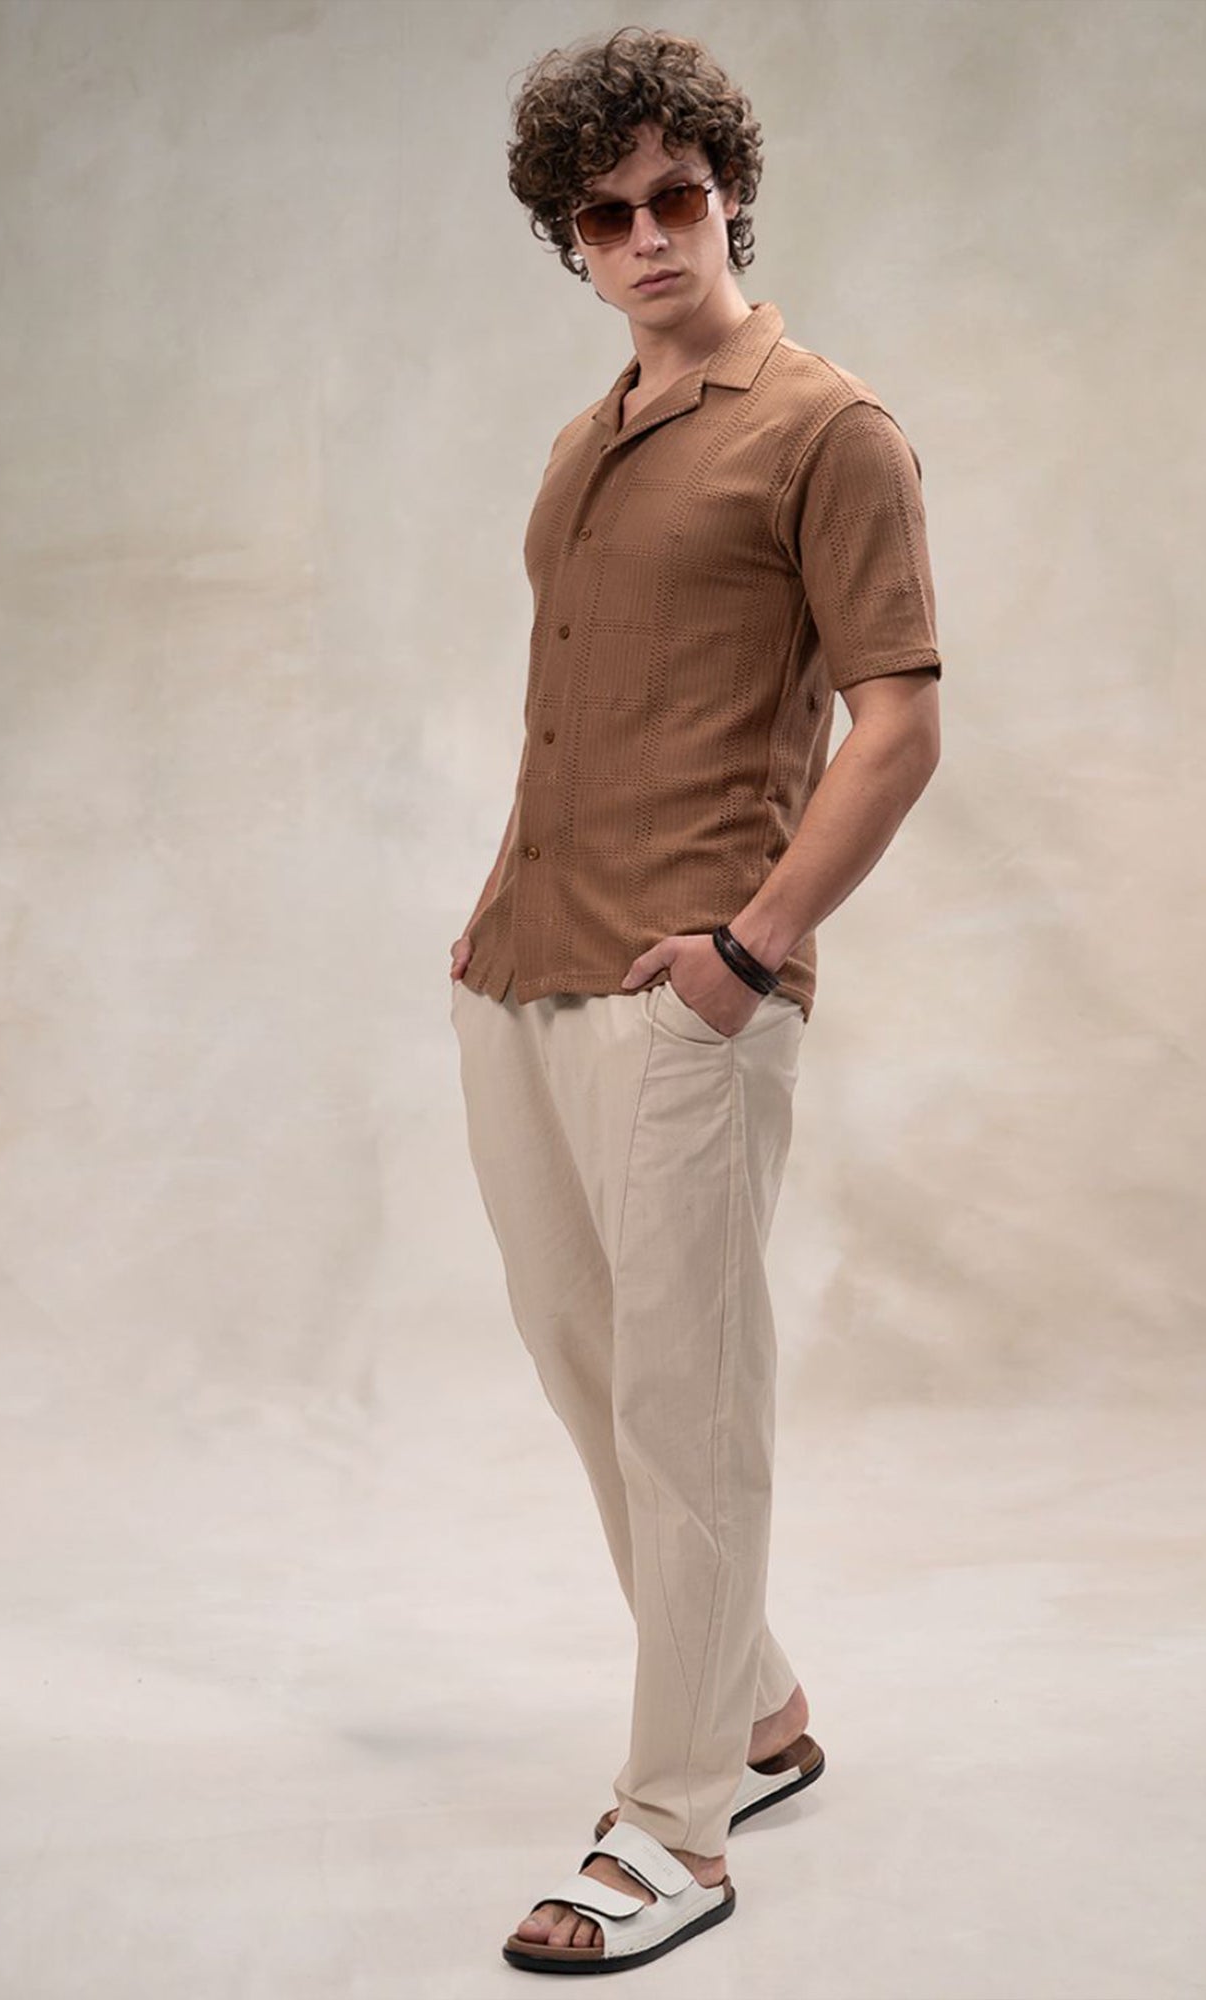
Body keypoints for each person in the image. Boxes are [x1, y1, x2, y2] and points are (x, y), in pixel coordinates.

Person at [447, 25, 943, 1977]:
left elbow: (897, 727)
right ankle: (757, 1705)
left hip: (688, 993)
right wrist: (495, 902)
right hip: (524, 970)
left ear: (729, 194)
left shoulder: (828, 430)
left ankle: (676, 1826)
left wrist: (750, 950)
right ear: (570, 240)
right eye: (606, 214)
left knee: (687, 1401)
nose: (649, 235)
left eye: (677, 195)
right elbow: (574, 704)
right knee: (588, 1366)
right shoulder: (586, 441)